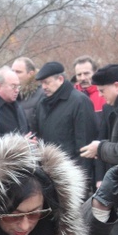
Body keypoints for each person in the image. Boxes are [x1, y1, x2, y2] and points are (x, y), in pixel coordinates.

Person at [34, 61, 98, 192]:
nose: (44, 87)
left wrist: (83, 181)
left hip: (73, 174)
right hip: (50, 173)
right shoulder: (43, 103)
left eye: (47, 82)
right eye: (42, 84)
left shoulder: (79, 101)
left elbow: (85, 143)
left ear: (60, 79)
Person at [0, 66, 30, 136]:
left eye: (18, 86)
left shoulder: (18, 106)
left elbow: (26, 130)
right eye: (13, 86)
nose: (17, 90)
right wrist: (20, 141)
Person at [12, 56, 44, 133]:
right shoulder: (8, 95)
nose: (13, 74)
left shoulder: (42, 95)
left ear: (30, 74)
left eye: (18, 72)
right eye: (12, 71)